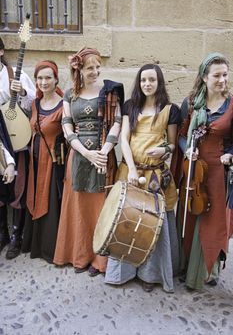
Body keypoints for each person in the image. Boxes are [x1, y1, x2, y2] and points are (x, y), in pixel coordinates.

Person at [104, 64, 180, 292]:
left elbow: (173, 144)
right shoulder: (131, 106)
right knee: (127, 222)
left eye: (152, 80)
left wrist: (164, 150)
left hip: (156, 175)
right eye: (143, 80)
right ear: (139, 82)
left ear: (159, 82)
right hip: (130, 171)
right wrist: (133, 171)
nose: (147, 84)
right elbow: (125, 139)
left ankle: (151, 274)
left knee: (152, 224)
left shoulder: (170, 109)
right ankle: (123, 272)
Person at [53, 47, 124, 276]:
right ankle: (80, 256)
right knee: (80, 208)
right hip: (80, 156)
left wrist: (103, 151)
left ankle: (99, 260)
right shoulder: (69, 95)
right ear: (80, 70)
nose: (95, 71)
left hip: (104, 156)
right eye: (90, 67)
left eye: (97, 66)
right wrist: (86, 152)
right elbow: (66, 125)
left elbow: (116, 122)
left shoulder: (109, 91)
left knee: (100, 209)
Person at [175, 52, 233, 290]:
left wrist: (231, 153)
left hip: (219, 171)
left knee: (213, 220)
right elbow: (180, 135)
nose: (222, 80)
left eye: (225, 75)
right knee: (190, 218)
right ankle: (188, 265)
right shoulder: (190, 103)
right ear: (204, 77)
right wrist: (187, 150)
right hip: (194, 169)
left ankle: (210, 268)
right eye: (217, 75)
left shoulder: (231, 104)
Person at [21, 60, 66, 263]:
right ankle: (34, 245)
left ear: (56, 79)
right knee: (34, 197)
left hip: (54, 164)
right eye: (39, 78)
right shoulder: (35, 104)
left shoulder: (64, 105)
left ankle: (49, 250)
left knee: (50, 204)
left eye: (48, 77)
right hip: (35, 162)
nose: (43, 82)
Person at [0, 36, 35, 259]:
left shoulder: (16, 74)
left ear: (1, 51)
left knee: (19, 187)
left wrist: (21, 91)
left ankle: (17, 235)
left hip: (16, 136)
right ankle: (2, 232)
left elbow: (35, 102)